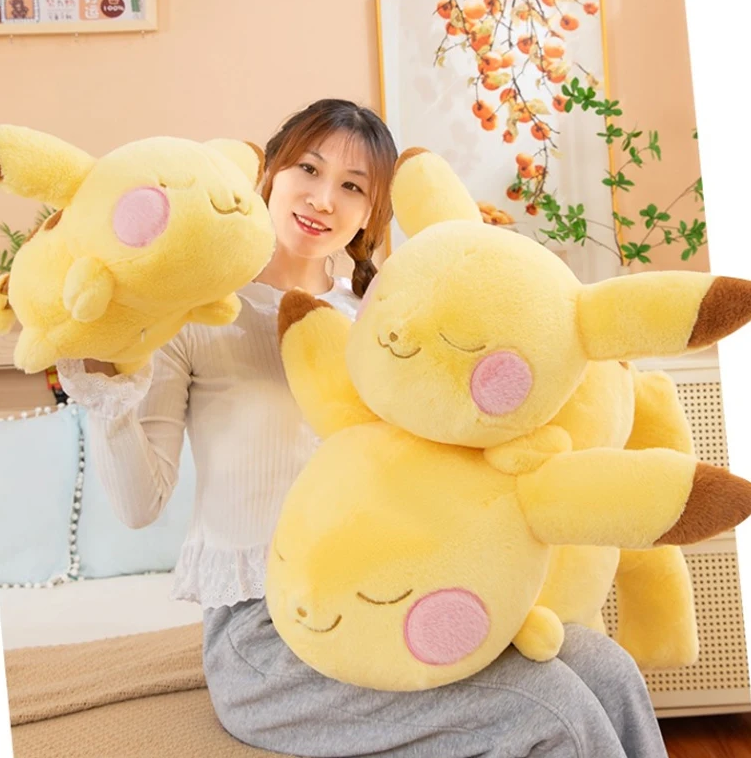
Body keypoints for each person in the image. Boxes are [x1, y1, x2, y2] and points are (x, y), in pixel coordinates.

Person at [58, 98, 668, 758]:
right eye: (308, 169)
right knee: (550, 707)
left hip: (397, 600)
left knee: (606, 667)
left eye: (353, 187)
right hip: (270, 638)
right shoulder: (199, 319)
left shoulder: (383, 322)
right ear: (268, 171)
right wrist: (106, 384)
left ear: (372, 213)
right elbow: (139, 505)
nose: (324, 199)